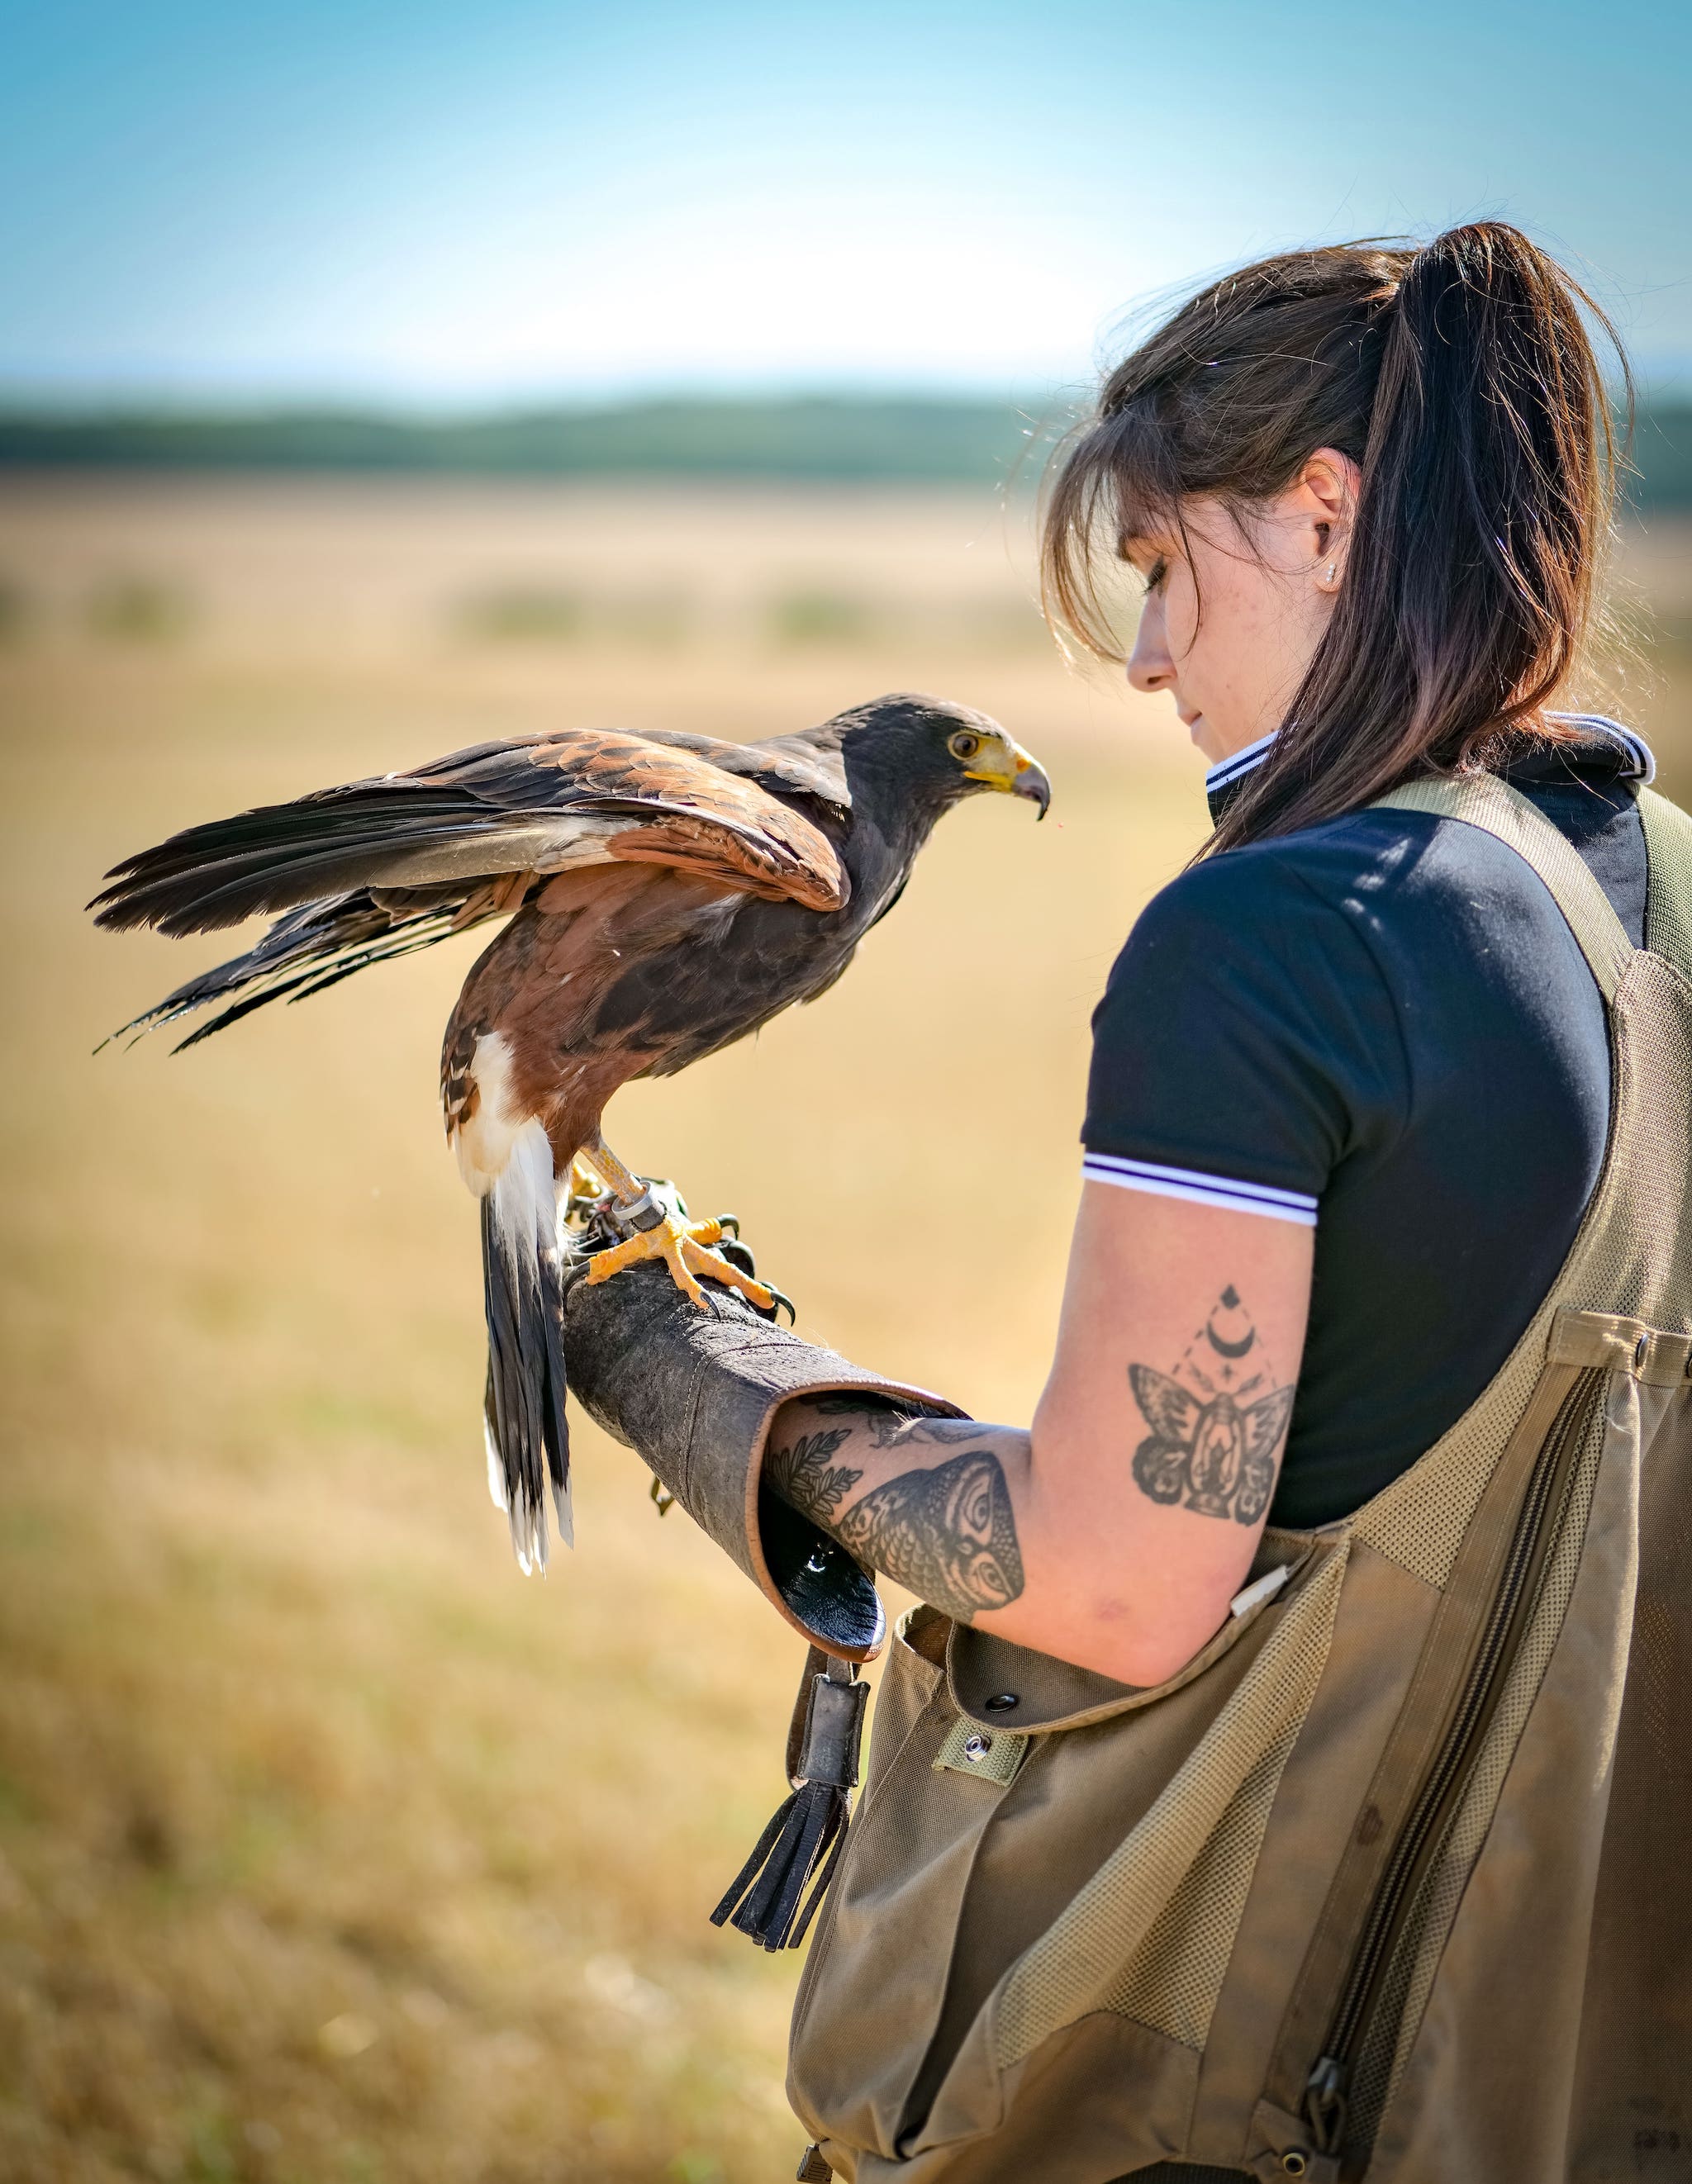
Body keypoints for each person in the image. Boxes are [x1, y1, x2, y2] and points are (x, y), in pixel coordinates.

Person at [563, 223, 1692, 2182]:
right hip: (1572, 2086)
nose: (1152, 654)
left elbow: (1114, 1569)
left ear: (1323, 518)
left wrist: (702, 1369)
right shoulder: (1665, 887)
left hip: (1196, 2077)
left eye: (1165, 567)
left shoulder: (1279, 932)